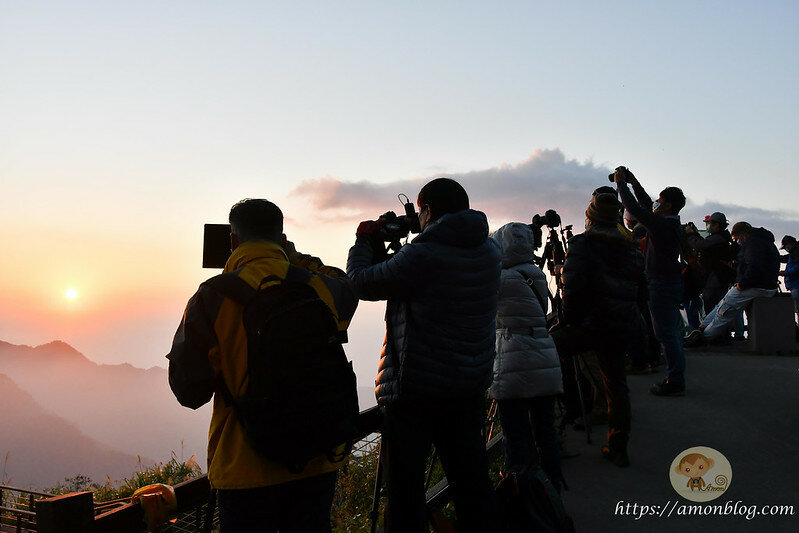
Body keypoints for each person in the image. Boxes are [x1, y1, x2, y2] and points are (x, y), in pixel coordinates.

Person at [167, 199, 358, 532]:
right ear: (282, 239)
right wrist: (294, 259)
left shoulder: (211, 297)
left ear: (232, 242)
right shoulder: (318, 287)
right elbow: (347, 288)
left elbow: (189, 391)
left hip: (246, 471)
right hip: (316, 461)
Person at [347, 178, 500, 532]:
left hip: (418, 391)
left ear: (427, 210)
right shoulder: (488, 249)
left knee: (405, 493)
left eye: (420, 212)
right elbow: (416, 277)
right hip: (467, 386)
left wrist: (364, 240)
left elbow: (361, 282)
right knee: (472, 485)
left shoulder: (425, 254)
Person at [551, 192, 646, 467]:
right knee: (616, 384)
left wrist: (568, 320)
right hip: (620, 325)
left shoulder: (582, 244)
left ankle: (553, 430)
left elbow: (573, 289)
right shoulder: (632, 249)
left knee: (542, 353)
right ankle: (618, 447)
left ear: (589, 217)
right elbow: (639, 292)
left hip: (589, 326)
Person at [489, 222, 564, 490]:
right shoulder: (535, 272)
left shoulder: (501, 279)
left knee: (515, 436)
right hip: (543, 355)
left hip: (513, 360)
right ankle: (554, 485)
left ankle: (518, 496)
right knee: (546, 432)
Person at [614, 166, 688, 396]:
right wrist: (634, 183)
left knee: (666, 334)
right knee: (669, 333)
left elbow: (635, 208)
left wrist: (621, 185)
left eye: (660, 201)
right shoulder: (670, 224)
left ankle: (675, 381)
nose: (656, 203)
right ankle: (675, 377)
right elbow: (646, 207)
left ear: (667, 206)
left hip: (662, 284)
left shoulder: (663, 225)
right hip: (669, 282)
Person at [684, 222, 780, 346]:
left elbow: (754, 267)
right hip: (764, 285)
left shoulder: (753, 244)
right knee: (721, 305)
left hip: (754, 285)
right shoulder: (762, 241)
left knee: (724, 310)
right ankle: (702, 329)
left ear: (743, 234)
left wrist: (742, 284)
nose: (738, 242)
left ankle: (703, 336)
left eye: (737, 239)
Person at [685, 212, 737, 318]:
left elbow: (700, 245)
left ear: (716, 225)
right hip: (716, 277)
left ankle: (715, 333)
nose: (708, 226)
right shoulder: (720, 237)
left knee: (712, 306)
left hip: (715, 278)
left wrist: (690, 235)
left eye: (710, 224)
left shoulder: (719, 238)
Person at [779, 235, 799, 321]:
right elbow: (784, 258)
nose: (786, 249)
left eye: (786, 247)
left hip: (796, 285)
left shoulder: (797, 253)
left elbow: (797, 268)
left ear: (790, 244)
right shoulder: (794, 253)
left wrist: (784, 273)